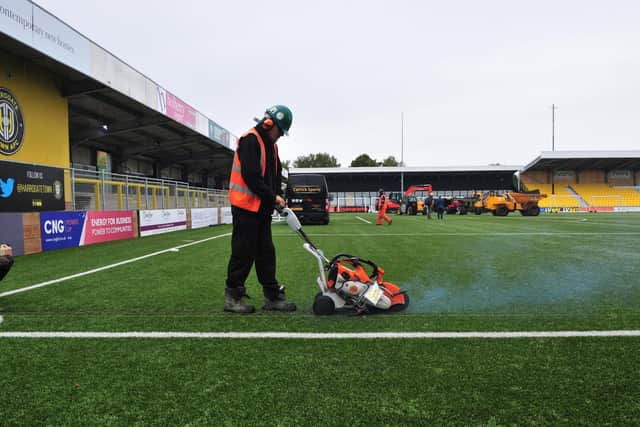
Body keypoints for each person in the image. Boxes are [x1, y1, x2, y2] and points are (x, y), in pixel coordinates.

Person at [224, 105, 296, 314]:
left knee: (266, 253)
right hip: (245, 207)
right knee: (242, 253)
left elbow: (273, 176)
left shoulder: (271, 147)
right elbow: (251, 176)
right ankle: (233, 297)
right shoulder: (250, 140)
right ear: (269, 124)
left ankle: (272, 296)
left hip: (261, 209)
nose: (280, 136)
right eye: (280, 132)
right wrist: (272, 197)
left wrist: (277, 197)